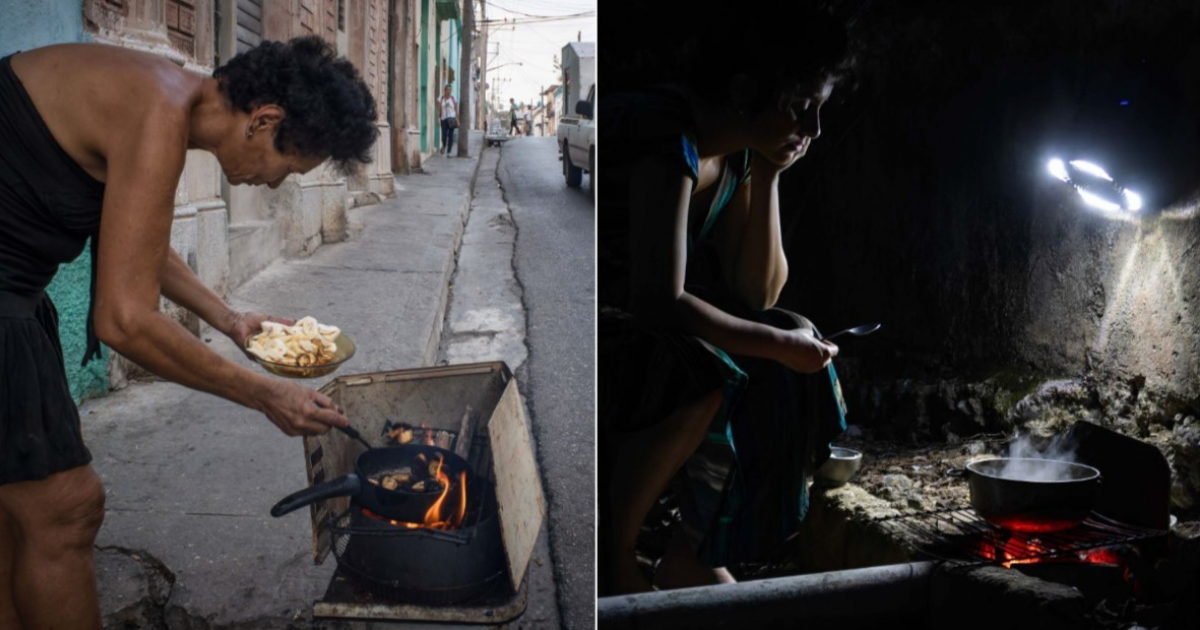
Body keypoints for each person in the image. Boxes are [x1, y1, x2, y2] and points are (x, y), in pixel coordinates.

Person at [0, 36, 376, 628]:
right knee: (65, 511)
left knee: (15, 519)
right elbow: (123, 318)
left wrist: (231, 320)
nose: (275, 185)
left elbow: (134, 241)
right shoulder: (156, 109)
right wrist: (264, 393)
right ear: (264, 120)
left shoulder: (162, 90)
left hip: (12, 298)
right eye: (288, 169)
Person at [597, 4, 854, 594]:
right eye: (802, 107)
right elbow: (659, 299)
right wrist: (775, 345)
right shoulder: (669, 134)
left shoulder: (737, 152)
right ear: (743, 91)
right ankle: (616, 555)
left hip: (637, 312)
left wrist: (769, 176)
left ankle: (694, 548)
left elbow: (755, 291)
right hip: (599, 314)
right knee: (696, 368)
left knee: (794, 327)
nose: (813, 129)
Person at [437, 83, 458, 155]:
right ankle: (444, 145)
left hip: (452, 118)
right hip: (444, 119)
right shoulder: (441, 99)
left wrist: (457, 119)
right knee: (444, 135)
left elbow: (456, 109)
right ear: (444, 90)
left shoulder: (453, 99)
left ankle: (449, 152)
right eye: (447, 90)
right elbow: (439, 109)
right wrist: (438, 118)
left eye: (450, 90)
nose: (449, 91)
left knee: (451, 136)